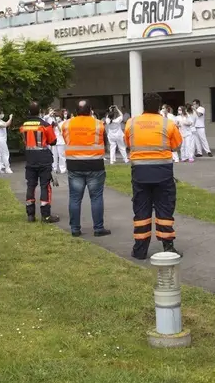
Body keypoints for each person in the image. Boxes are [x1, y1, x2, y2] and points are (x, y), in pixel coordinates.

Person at [125, 92, 183, 259]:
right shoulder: (168, 123)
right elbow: (177, 145)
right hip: (162, 173)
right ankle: (168, 248)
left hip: (140, 174)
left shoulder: (132, 123)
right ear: (159, 106)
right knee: (164, 208)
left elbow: (129, 143)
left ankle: (140, 250)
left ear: (143, 105)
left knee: (141, 209)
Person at [64, 100, 112, 238]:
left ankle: (75, 229)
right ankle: (98, 228)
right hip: (95, 164)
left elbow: (67, 140)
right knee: (96, 197)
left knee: (74, 198)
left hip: (74, 164)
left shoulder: (67, 124)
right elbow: (104, 140)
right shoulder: (98, 124)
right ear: (91, 110)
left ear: (76, 111)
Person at [20, 102, 60, 223]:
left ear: (29, 111)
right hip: (43, 158)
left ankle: (30, 215)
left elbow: (25, 141)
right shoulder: (45, 125)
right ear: (39, 111)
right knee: (45, 186)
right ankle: (46, 215)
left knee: (30, 186)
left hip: (30, 159)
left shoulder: (23, 126)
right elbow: (53, 141)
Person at [52, 109, 69, 175]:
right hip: (54, 141)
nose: (57, 118)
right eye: (56, 117)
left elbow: (62, 132)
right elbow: (52, 132)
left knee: (61, 155)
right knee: (54, 155)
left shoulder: (63, 123)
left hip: (61, 141)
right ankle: (54, 168)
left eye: (58, 117)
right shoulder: (53, 123)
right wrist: (53, 126)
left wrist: (58, 125)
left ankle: (63, 169)